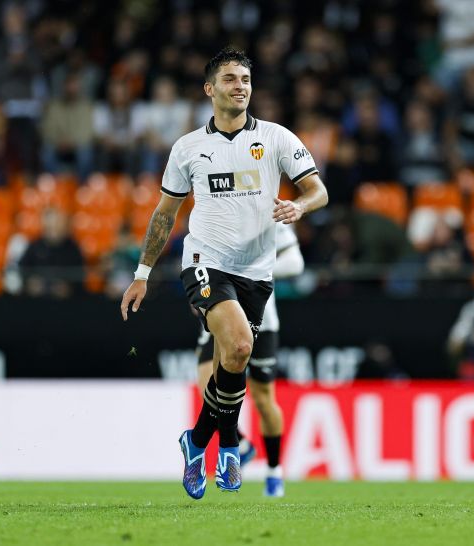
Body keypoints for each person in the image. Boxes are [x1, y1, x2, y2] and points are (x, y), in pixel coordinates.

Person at [120, 48, 328, 499]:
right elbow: (164, 215)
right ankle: (229, 448)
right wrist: (142, 272)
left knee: (231, 362)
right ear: (210, 89)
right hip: (204, 262)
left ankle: (197, 442)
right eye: (231, 79)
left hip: (256, 272)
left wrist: (300, 204)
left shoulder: (276, 138)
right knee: (238, 344)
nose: (241, 86)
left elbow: (318, 190)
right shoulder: (188, 148)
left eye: (247, 79)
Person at [194, 222, 303, 498]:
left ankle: (274, 471)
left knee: (264, 398)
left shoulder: (268, 212)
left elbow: (295, 262)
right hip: (220, 314)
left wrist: (250, 273)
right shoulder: (213, 210)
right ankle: (239, 444)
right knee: (206, 379)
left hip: (262, 320)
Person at [18, 208, 85, 298]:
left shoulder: (73, 248)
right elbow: (22, 267)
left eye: (58, 224)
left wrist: (70, 287)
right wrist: (30, 283)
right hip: (37, 300)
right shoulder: (35, 246)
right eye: (51, 226)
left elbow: (80, 273)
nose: (54, 229)